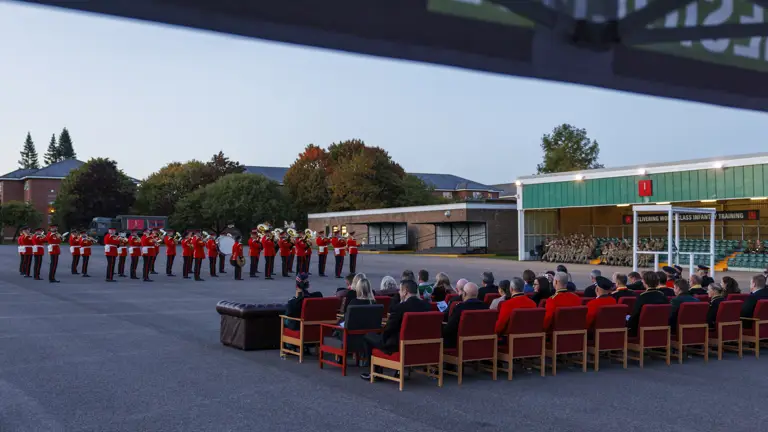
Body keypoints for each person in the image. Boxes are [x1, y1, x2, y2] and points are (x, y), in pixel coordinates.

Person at [360, 279, 430, 381]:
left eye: (400, 290)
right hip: (418, 344)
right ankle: (397, 371)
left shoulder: (400, 308)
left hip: (397, 345)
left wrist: (381, 338)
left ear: (405, 291)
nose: (399, 293)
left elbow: (389, 328)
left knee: (368, 336)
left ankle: (375, 372)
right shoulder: (426, 306)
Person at [443, 282, 489, 348]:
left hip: (460, 345)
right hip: (481, 344)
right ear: (477, 294)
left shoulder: (460, 308)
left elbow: (449, 329)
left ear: (464, 294)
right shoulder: (486, 307)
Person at [627, 271, 669, 336]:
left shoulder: (642, 297)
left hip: (641, 332)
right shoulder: (663, 296)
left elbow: (635, 316)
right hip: (660, 330)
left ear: (645, 282)